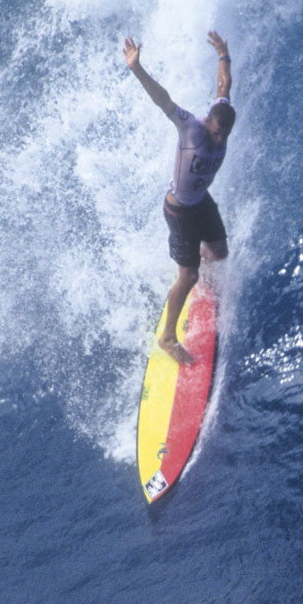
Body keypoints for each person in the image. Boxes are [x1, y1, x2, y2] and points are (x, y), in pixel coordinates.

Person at [123, 30, 236, 365]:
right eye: (216, 132)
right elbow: (163, 99)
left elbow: (224, 85)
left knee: (219, 252)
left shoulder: (222, 113)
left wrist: (223, 55)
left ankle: (192, 264)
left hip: (201, 200)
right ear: (207, 122)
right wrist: (137, 69)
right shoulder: (191, 127)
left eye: (224, 135)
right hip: (180, 211)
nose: (219, 140)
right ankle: (168, 338)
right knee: (189, 275)